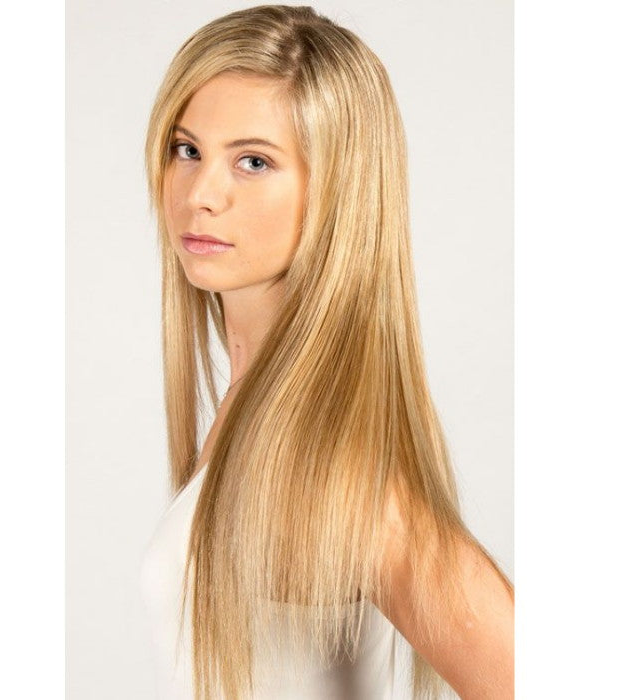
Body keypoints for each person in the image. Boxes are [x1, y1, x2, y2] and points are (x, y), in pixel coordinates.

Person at [140, 5, 514, 699]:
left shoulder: (328, 463)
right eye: (187, 150)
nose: (201, 195)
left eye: (254, 162)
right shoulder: (252, 412)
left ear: (338, 189)